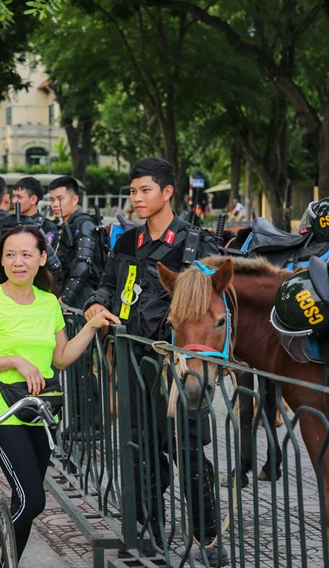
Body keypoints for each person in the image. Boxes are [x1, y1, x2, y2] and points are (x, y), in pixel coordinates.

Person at [84, 157, 225, 564]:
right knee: (140, 448)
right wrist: (95, 305)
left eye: (145, 190)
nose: (137, 198)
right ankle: (150, 529)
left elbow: (214, 307)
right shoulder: (126, 243)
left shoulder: (196, 245)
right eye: (132, 191)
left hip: (179, 368)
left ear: (167, 192)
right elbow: (107, 286)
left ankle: (208, 538)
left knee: (189, 450)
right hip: (132, 360)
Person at [0, 225, 119, 561]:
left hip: (41, 412)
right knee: (33, 499)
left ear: (42, 258)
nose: (19, 262)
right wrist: (15, 360)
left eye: (27, 254)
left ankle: (6, 561)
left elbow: (60, 358)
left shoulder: (48, 304)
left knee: (24, 502)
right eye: (11, 255)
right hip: (3, 412)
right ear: (1, 262)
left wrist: (90, 327)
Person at [49, 176, 105, 309]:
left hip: (83, 295)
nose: (55, 204)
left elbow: (83, 264)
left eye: (60, 199)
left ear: (75, 199)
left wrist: (66, 298)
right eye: (52, 200)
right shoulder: (68, 223)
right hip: (70, 291)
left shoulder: (83, 223)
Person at [12, 176, 58, 246]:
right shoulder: (10, 222)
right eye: (14, 196)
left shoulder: (47, 226)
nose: (14, 201)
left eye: (19, 197)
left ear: (33, 199)